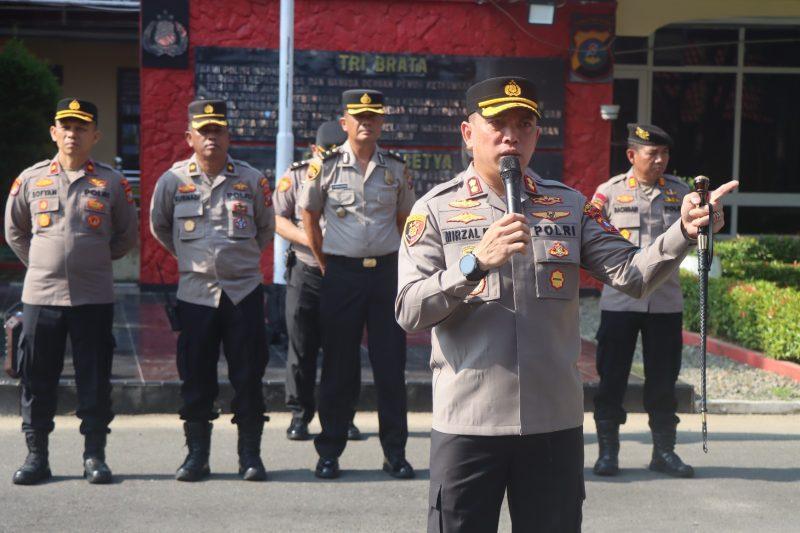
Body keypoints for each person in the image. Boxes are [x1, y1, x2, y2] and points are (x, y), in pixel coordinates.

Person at [395, 76, 738, 532]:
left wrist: (684, 232)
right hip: (469, 424)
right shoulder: (434, 210)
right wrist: (473, 264)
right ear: (468, 132)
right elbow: (409, 310)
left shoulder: (569, 205)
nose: (511, 136)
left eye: (523, 125)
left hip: (552, 424)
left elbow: (632, 275)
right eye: (497, 123)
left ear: (537, 135)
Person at [4, 98, 138, 485]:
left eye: (81, 128)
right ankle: (36, 457)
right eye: (65, 127)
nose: (72, 134)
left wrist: (89, 259)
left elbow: (126, 235)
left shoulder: (111, 183)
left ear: (95, 135)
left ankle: (94, 455)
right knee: (36, 378)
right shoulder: (31, 179)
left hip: (93, 297)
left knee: (94, 378)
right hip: (41, 297)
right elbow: (15, 231)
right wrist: (44, 263)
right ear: (53, 133)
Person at [149, 100, 275, 482]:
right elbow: (160, 227)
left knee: (248, 377)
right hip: (196, 295)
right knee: (196, 378)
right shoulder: (172, 181)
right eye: (203, 131)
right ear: (189, 137)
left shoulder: (251, 179)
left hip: (243, 293)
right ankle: (196, 457)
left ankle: (250, 457)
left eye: (217, 130)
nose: (211, 138)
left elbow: (265, 229)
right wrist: (192, 259)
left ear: (228, 135)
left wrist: (236, 261)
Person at [299, 89, 416, 479]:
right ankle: (329, 452)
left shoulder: (395, 168)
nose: (366, 123)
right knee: (338, 367)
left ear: (382, 123)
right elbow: (309, 215)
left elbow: (405, 221)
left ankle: (395, 454)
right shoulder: (326, 166)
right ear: (344, 122)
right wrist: (325, 263)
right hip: (342, 275)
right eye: (359, 117)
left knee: (390, 367)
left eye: (373, 117)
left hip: (386, 275)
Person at [590, 124, 693, 478]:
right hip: (619, 302)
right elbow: (592, 242)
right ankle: (608, 453)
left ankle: (664, 452)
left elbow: (696, 233)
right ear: (632, 155)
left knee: (664, 381)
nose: (660, 160)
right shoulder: (609, 193)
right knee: (611, 378)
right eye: (653, 154)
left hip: (665, 303)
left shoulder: (681, 193)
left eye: (665, 153)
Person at [274, 120, 362, 442]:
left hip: (345, 272)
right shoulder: (297, 175)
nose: (331, 157)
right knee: (302, 347)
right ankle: (300, 415)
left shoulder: (355, 173)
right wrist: (311, 241)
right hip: (307, 271)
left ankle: (343, 416)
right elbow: (277, 218)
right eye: (326, 152)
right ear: (314, 150)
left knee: (345, 350)